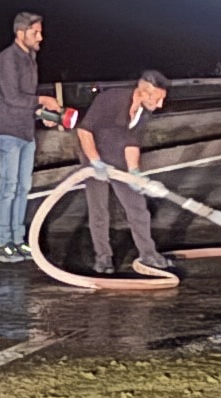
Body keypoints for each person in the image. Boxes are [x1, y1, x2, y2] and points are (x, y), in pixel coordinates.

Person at [71, 66, 175, 278]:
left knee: (137, 207)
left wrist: (135, 172)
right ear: (144, 92)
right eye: (157, 99)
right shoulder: (112, 98)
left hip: (119, 157)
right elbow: (84, 131)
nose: (160, 105)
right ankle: (103, 258)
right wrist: (95, 162)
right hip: (94, 154)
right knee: (99, 210)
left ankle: (148, 254)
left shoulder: (143, 113)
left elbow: (132, 144)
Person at [0, 10, 57, 261]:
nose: (40, 37)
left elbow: (26, 102)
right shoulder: (8, 58)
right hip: (9, 132)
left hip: (27, 132)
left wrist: (43, 115)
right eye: (35, 32)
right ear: (20, 33)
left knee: (23, 188)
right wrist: (43, 100)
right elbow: (12, 97)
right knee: (9, 187)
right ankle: (3, 243)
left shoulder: (30, 59)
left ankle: (18, 240)